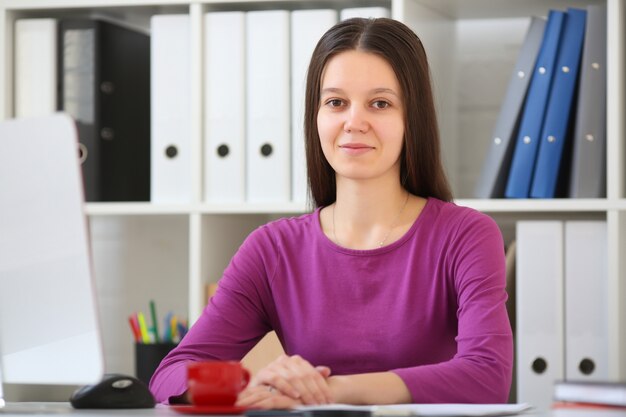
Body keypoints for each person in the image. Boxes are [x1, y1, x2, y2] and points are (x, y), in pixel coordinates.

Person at [149, 17, 513, 407]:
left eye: (380, 103)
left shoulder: (466, 235)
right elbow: (170, 376)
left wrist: (326, 391)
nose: (354, 122)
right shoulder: (272, 248)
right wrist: (248, 383)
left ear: (413, 118)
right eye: (336, 102)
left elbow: (487, 375)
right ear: (316, 116)